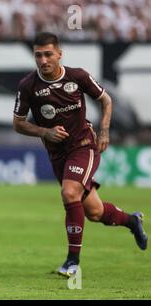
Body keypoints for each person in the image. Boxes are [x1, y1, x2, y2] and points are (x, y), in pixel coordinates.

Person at [12, 32, 148, 277]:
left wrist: (105, 132)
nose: (43, 60)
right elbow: (18, 123)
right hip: (57, 155)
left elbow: (106, 100)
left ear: (59, 54)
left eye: (48, 54)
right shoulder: (28, 86)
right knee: (94, 212)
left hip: (83, 146)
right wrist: (45, 131)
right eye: (38, 55)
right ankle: (132, 220)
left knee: (69, 191)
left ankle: (72, 263)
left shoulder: (78, 76)